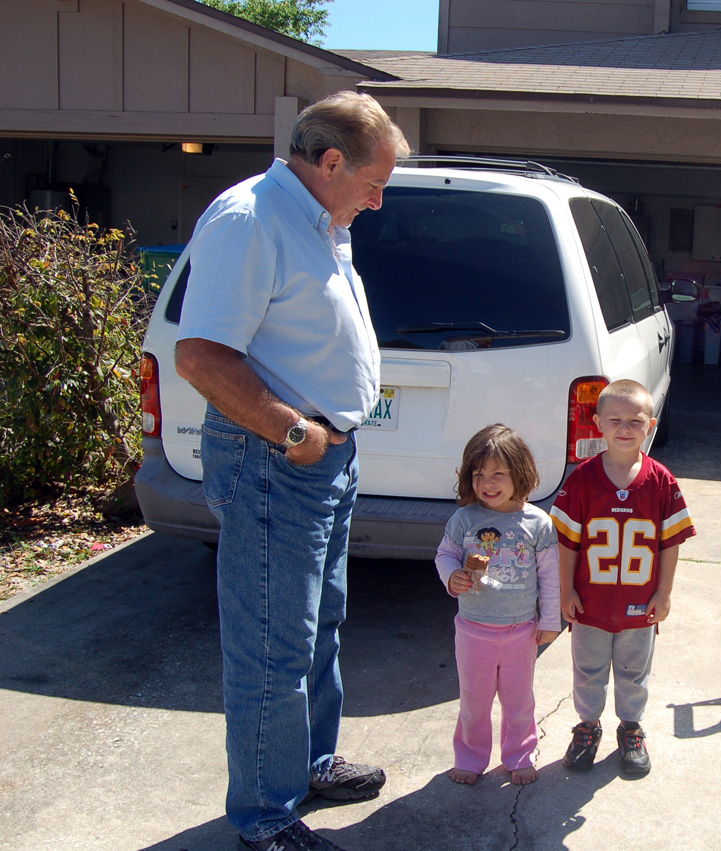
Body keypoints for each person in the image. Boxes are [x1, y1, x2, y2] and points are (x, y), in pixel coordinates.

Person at [174, 91, 410, 851]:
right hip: (276, 460)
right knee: (272, 642)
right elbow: (201, 355)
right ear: (331, 162)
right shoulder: (250, 220)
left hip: (326, 459)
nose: (377, 202)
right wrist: (295, 431)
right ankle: (265, 815)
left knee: (317, 627)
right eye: (374, 184)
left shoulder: (322, 220)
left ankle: (308, 761)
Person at [551, 379, 696, 777]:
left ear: (651, 424)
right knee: (588, 671)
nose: (625, 428)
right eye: (615, 419)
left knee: (635, 672)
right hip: (591, 603)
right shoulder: (581, 480)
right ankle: (587, 726)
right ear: (597, 423)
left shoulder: (662, 480)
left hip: (639, 603)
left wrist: (664, 593)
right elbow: (567, 543)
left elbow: (670, 543)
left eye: (636, 420)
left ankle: (631, 728)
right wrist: (566, 590)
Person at [434, 424, 560, 786]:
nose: (487, 483)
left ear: (520, 473)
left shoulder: (538, 523)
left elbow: (550, 577)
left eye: (498, 474)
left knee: (519, 700)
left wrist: (550, 620)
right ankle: (471, 757)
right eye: (478, 474)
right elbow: (445, 555)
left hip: (521, 631)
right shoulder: (465, 519)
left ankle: (520, 754)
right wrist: (452, 576)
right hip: (473, 629)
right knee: (474, 701)